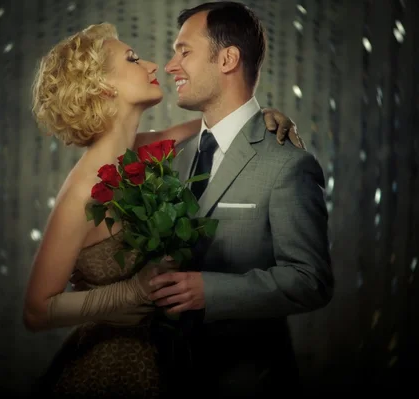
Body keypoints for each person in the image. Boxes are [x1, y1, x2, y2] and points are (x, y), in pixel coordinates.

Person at [22, 21, 301, 398]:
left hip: (169, 363)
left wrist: (266, 117)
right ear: (103, 86)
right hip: (110, 369)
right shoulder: (82, 191)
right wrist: (130, 294)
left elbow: (226, 128)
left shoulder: (148, 150)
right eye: (133, 59)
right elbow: (37, 311)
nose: (154, 65)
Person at [146, 2, 334, 397]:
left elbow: (310, 280)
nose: (169, 66)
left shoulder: (286, 163)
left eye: (184, 51)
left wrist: (210, 291)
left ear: (228, 58)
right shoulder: (173, 157)